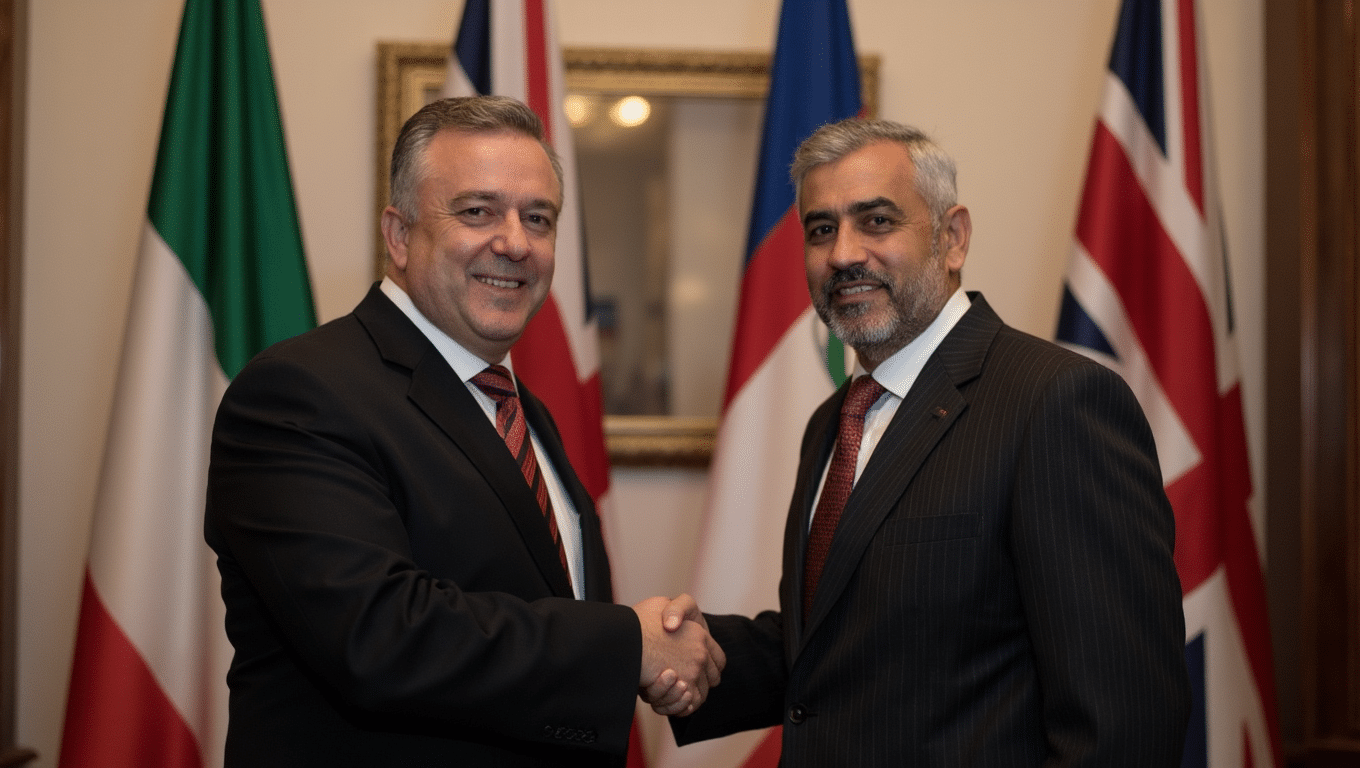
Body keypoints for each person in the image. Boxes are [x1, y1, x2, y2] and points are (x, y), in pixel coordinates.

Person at [205, 95, 723, 767]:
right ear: (398, 235)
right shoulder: (301, 393)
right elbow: (379, 637)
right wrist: (632, 644)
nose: (514, 242)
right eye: (477, 211)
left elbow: (535, 603)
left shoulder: (518, 408)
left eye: (538, 218)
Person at [669, 118, 1190, 765]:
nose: (843, 254)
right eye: (821, 229)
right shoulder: (834, 422)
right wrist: (670, 651)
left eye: (877, 221)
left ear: (952, 237)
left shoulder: (1056, 403)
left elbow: (1125, 722)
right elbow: (836, 644)